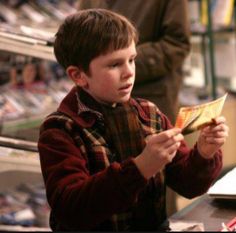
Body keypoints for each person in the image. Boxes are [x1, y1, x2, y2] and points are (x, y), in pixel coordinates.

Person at [38, 9, 229, 231]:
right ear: (78, 76)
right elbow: (71, 209)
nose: (129, 72)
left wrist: (204, 153)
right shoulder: (61, 130)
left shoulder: (150, 114)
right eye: (114, 64)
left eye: (132, 59)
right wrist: (141, 168)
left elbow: (188, 184)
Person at [77, 0, 191, 125]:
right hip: (95, 101)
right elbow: (80, 37)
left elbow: (176, 43)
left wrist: (120, 62)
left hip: (149, 96)